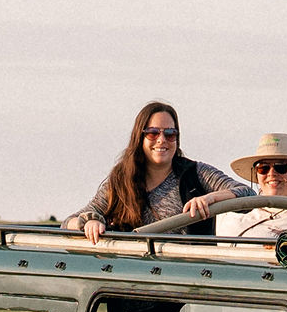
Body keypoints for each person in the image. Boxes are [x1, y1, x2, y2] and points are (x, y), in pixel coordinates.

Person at [65, 102, 251, 243]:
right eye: (153, 133)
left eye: (170, 133)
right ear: (140, 137)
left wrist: (211, 198)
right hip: (133, 276)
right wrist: (88, 222)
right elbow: (68, 223)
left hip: (188, 277)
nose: (162, 140)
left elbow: (247, 194)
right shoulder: (121, 180)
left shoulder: (196, 173)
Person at [212, 133, 287, 241]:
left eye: (281, 167)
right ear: (256, 174)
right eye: (263, 168)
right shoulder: (227, 215)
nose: (271, 173)